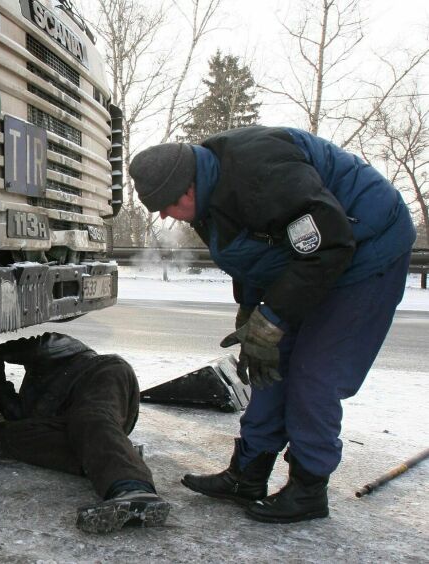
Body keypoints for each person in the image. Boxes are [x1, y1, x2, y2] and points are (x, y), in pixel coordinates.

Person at [129, 126, 415, 524]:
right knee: (267, 363)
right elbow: (253, 253)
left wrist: (273, 317)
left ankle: (308, 488)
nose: (162, 216)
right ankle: (248, 473)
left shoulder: (261, 173)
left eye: (164, 205)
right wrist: (251, 312)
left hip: (365, 249)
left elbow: (328, 244)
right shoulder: (211, 196)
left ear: (187, 189)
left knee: (314, 371)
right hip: (309, 262)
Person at [0, 332, 170, 534]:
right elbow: (19, 417)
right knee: (12, 436)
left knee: (90, 416)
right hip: (76, 423)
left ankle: (134, 490)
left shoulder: (60, 349)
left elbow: (43, 344)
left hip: (101, 377)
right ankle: (117, 454)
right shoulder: (30, 392)